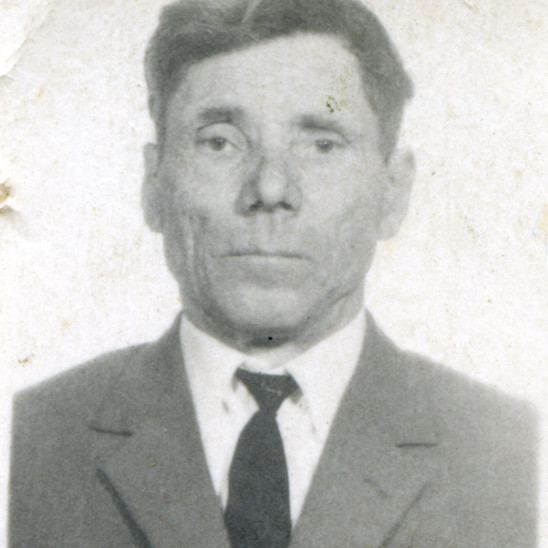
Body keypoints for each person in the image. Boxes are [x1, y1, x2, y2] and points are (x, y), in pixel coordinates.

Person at [9, 0, 537, 546]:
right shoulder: (28, 437)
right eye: (220, 141)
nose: (269, 188)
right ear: (153, 184)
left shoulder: (512, 453)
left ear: (394, 192)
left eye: (322, 144)